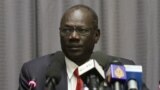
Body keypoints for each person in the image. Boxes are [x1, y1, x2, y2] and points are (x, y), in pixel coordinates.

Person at [18, 4, 149, 90]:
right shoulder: (34, 71)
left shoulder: (122, 70)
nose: (73, 36)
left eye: (82, 30)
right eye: (67, 30)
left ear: (96, 35)